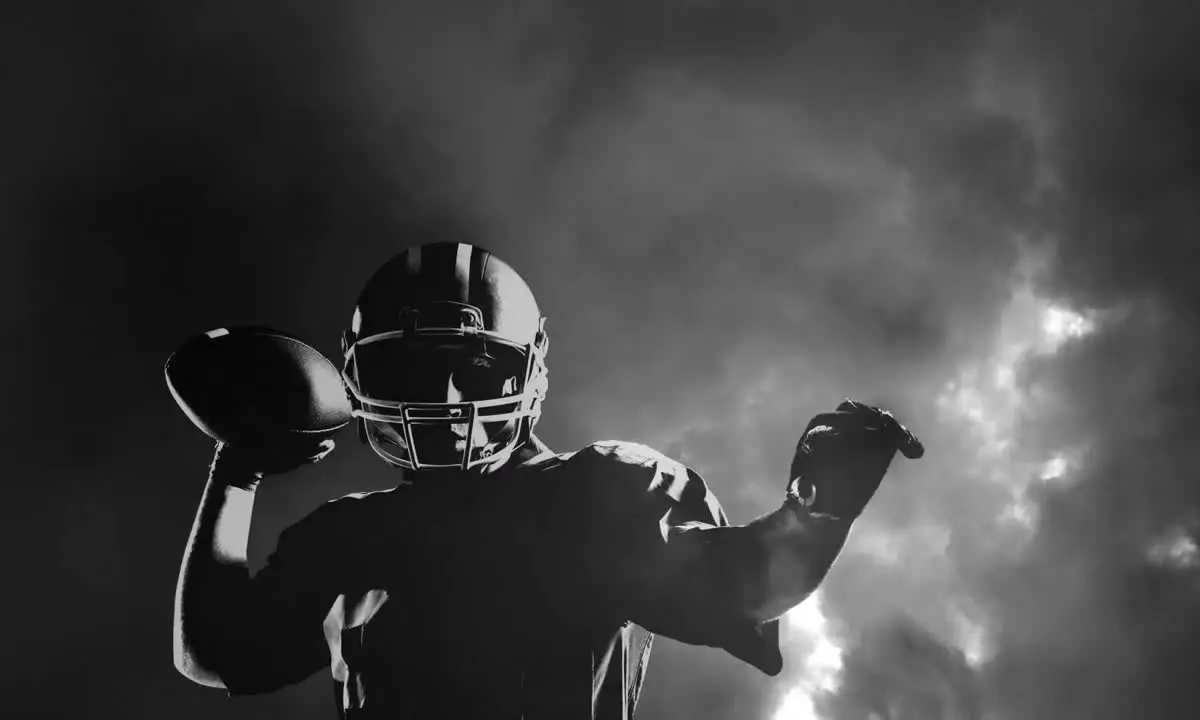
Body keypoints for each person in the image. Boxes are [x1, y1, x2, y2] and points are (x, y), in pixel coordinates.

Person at [172, 242, 924, 719]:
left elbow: (739, 586)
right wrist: (236, 470)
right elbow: (221, 653)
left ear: (529, 375)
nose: (450, 399)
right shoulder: (346, 533)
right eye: (413, 370)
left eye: (473, 369)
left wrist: (815, 508)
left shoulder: (595, 492)